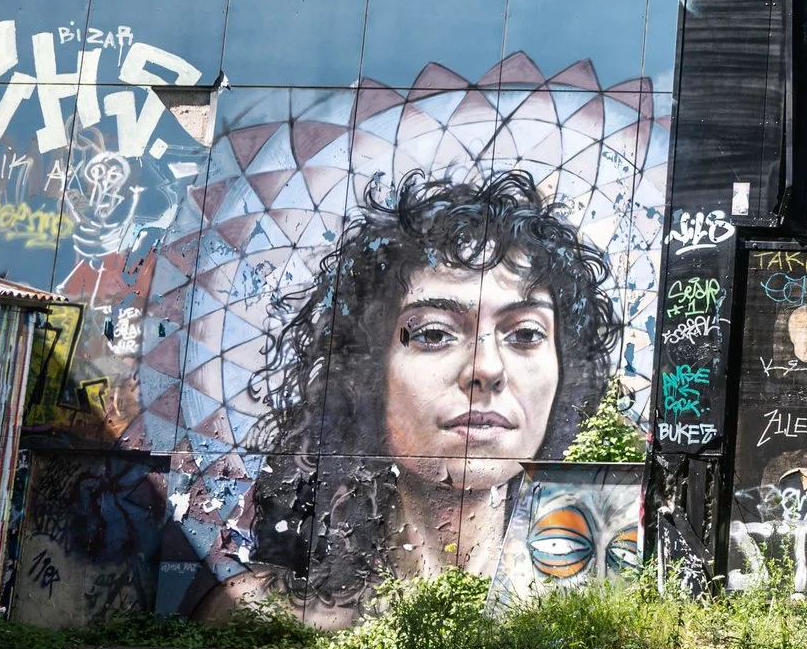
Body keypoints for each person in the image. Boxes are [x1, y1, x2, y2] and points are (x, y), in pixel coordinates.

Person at [233, 170, 622, 622]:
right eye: (434, 333)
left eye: (526, 334)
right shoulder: (253, 609)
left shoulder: (589, 614)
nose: (487, 369)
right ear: (367, 369)